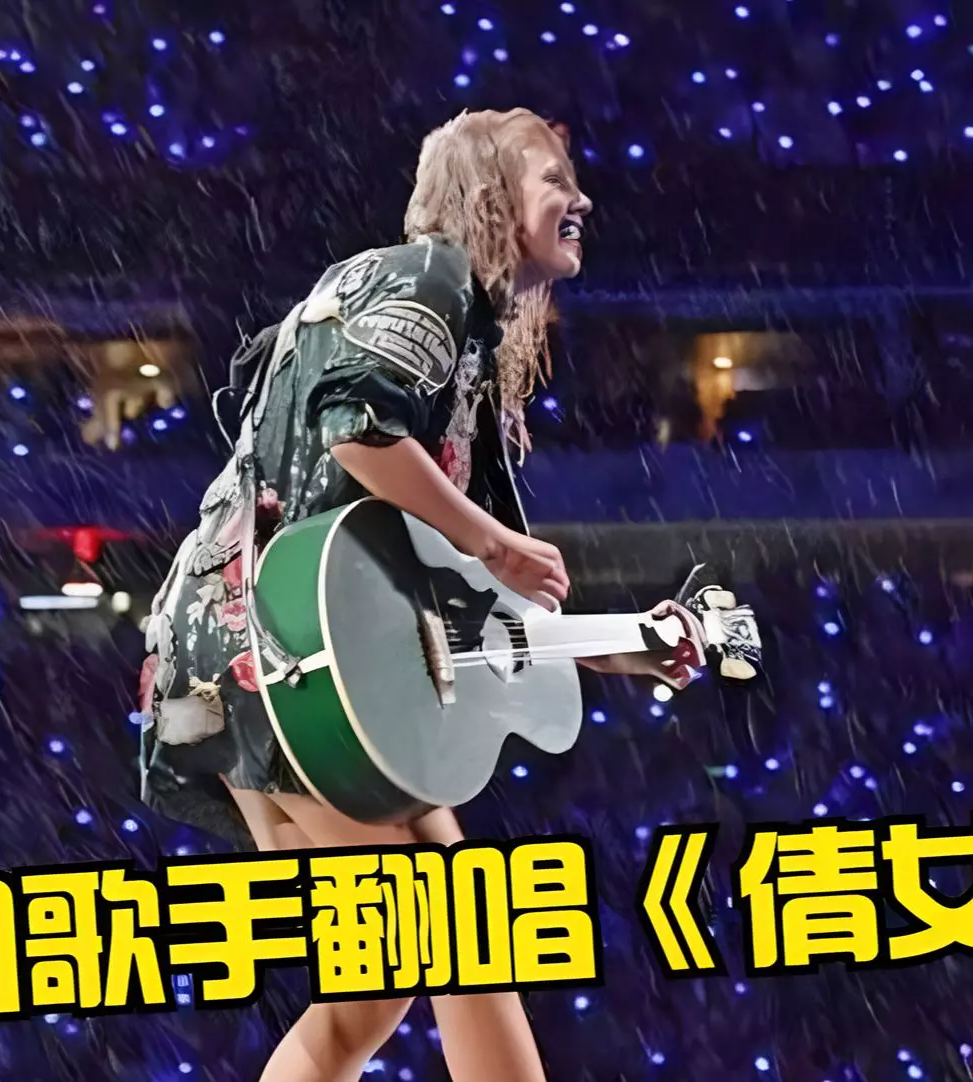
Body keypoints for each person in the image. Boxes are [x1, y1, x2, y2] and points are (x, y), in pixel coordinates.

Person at [136, 108, 704, 1082]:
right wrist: (496, 539)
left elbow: (474, 599)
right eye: (552, 178)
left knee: (372, 988)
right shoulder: (428, 278)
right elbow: (357, 426)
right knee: (461, 925)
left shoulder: (446, 326)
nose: (579, 197)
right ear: (488, 194)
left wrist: (615, 645)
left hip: (247, 654)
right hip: (277, 648)